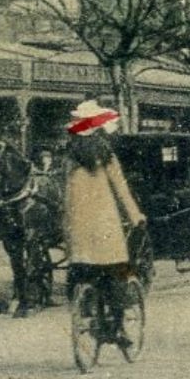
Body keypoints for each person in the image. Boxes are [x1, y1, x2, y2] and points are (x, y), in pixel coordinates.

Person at [62, 101, 145, 346]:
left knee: (83, 271)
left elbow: (65, 193)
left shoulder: (69, 155)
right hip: (105, 227)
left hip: (76, 227)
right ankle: (118, 327)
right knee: (120, 271)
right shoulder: (106, 154)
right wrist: (136, 216)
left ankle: (86, 310)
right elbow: (121, 189)